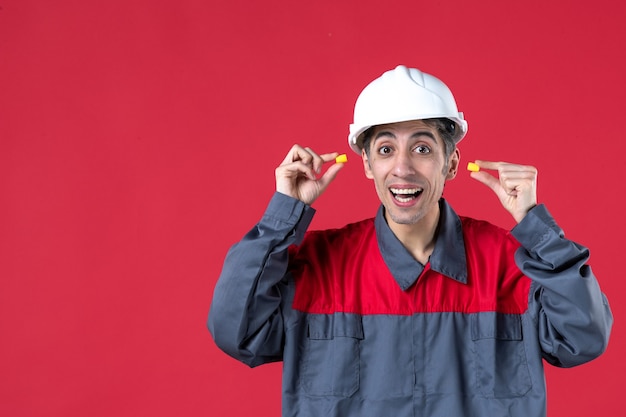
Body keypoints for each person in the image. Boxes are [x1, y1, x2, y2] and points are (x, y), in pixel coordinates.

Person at [208, 65, 612, 417]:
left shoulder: (513, 264)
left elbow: (584, 338)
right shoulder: (316, 266)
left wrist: (534, 224)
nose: (402, 168)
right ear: (367, 164)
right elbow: (237, 333)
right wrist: (283, 216)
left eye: (421, 148)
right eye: (385, 149)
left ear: (450, 162)